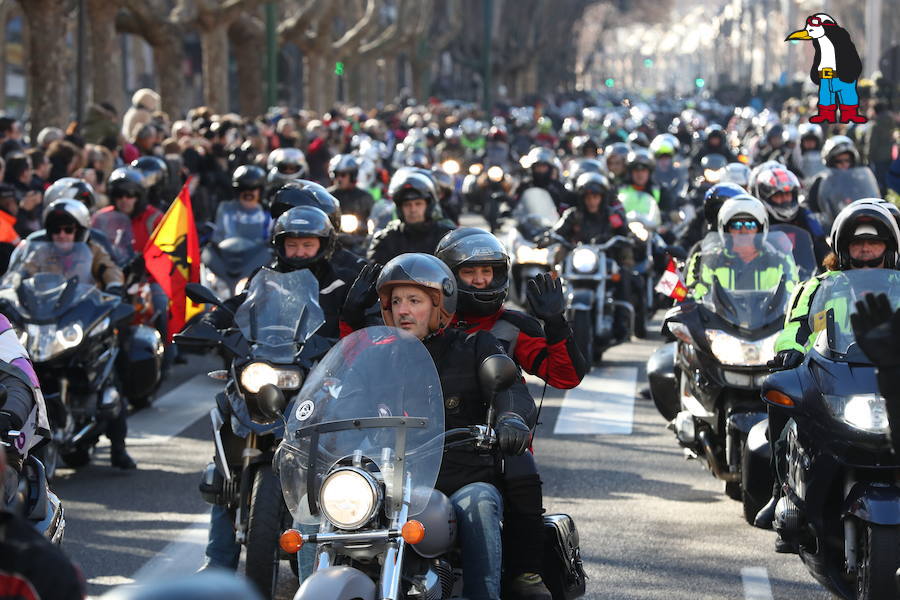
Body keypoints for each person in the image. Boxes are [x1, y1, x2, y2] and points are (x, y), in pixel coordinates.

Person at [197, 205, 361, 572]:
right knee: (225, 446)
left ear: (324, 244)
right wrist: (210, 322)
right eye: (293, 244)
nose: (300, 251)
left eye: (308, 244)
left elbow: (357, 324)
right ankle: (217, 560)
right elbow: (235, 308)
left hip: (318, 381)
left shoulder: (339, 285)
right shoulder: (264, 278)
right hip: (265, 370)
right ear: (279, 245)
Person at [434, 228, 587, 599]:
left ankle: (526, 572)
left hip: (496, 438)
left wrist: (555, 323)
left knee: (521, 464)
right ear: (448, 276)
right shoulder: (427, 319)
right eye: (471, 272)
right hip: (427, 439)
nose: (481, 280)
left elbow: (564, 376)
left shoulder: (512, 326)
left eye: (488, 271)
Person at [375, 253, 537, 600]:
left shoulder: (474, 345)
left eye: (414, 300)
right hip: (387, 485)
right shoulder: (377, 357)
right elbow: (345, 396)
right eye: (396, 301)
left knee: (479, 502)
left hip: (460, 479)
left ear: (439, 306)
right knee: (322, 514)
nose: (403, 310)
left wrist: (510, 417)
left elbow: (511, 391)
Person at [756, 201, 900, 548]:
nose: (866, 250)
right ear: (842, 248)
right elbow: (796, 328)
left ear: (890, 247)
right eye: (857, 243)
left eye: (875, 242)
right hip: (839, 377)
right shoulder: (818, 288)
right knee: (780, 392)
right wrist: (788, 351)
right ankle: (782, 492)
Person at [23, 200, 135, 469]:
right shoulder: (40, 254)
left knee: (108, 376)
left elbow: (110, 270)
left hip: (82, 323)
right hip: (49, 325)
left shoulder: (93, 250)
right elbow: (20, 275)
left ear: (79, 230)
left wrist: (115, 287)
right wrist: (9, 290)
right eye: (56, 229)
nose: (62, 235)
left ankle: (119, 447)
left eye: (68, 229)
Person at [686, 195, 797, 299]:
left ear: (760, 228)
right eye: (736, 225)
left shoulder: (781, 262)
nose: (743, 231)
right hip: (718, 319)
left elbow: (791, 295)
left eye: (750, 225)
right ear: (725, 229)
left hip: (772, 319)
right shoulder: (707, 261)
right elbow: (696, 296)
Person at [367, 171, 455, 265]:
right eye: (407, 205)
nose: (413, 209)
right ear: (400, 208)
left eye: (418, 204)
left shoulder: (446, 237)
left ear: (429, 206)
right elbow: (375, 273)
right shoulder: (385, 239)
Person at [750, 162, 830, 263]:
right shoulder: (759, 221)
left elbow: (822, 247)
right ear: (766, 197)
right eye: (778, 195)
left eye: (788, 194)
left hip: (808, 275)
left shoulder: (806, 215)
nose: (785, 200)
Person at [211, 165, 270, 244]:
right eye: (243, 188)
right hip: (229, 254)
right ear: (237, 191)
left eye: (253, 188)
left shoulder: (268, 214)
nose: (248, 193)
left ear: (261, 191)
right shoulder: (226, 210)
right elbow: (216, 237)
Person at [326, 154, 374, 246]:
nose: (339, 178)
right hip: (332, 240)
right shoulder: (327, 195)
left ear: (353, 175)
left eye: (343, 175)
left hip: (359, 240)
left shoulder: (365, 197)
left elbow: (373, 219)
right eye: (336, 174)